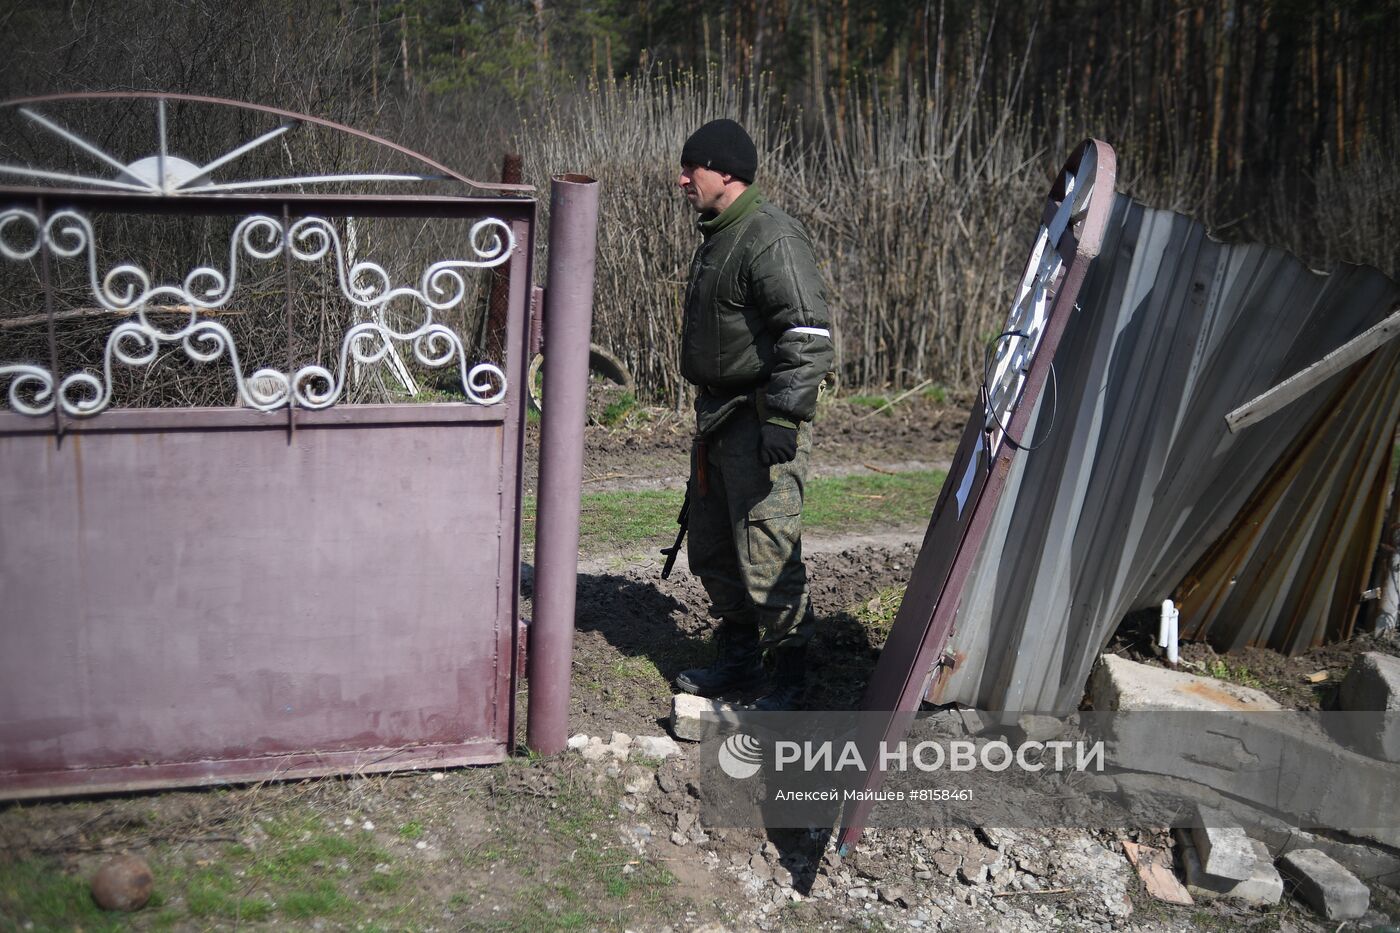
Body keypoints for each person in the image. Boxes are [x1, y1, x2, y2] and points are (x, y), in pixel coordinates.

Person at [671, 118, 834, 711]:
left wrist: (784, 419)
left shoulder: (770, 237)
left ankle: (794, 680)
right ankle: (739, 660)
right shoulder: (720, 233)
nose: (682, 178)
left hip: (760, 418)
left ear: (727, 172)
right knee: (712, 547)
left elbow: (808, 333)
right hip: (717, 419)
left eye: (693, 167)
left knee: (765, 547)